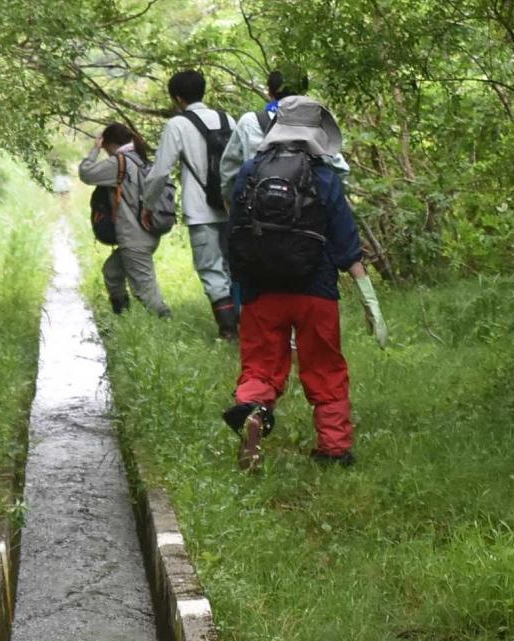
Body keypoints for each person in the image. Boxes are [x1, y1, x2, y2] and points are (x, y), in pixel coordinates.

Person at [223, 96, 387, 472]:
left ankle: (253, 412)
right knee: (325, 367)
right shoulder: (325, 177)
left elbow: (235, 233)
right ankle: (334, 448)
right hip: (316, 292)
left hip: (261, 290)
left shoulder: (250, 171)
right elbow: (346, 245)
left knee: (260, 365)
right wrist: (371, 303)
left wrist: (241, 283)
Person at [140, 70, 237, 339]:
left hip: (200, 209)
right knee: (234, 267)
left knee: (211, 268)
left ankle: (229, 331)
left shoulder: (178, 125)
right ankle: (244, 325)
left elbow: (160, 172)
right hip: (231, 207)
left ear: (177, 98)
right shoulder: (227, 119)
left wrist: (148, 204)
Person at [78, 123, 173, 319]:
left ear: (110, 144)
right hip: (147, 234)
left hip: (134, 238)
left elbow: (86, 173)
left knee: (145, 291)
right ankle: (122, 317)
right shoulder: (142, 160)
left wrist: (95, 149)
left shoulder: (119, 162)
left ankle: (166, 321)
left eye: (105, 148)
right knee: (112, 272)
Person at [221, 65, 351, 197]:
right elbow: (340, 169)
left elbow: (229, 172)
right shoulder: (313, 124)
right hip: (306, 204)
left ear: (270, 92)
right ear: (304, 93)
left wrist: (233, 202)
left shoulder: (249, 122)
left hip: (259, 203)